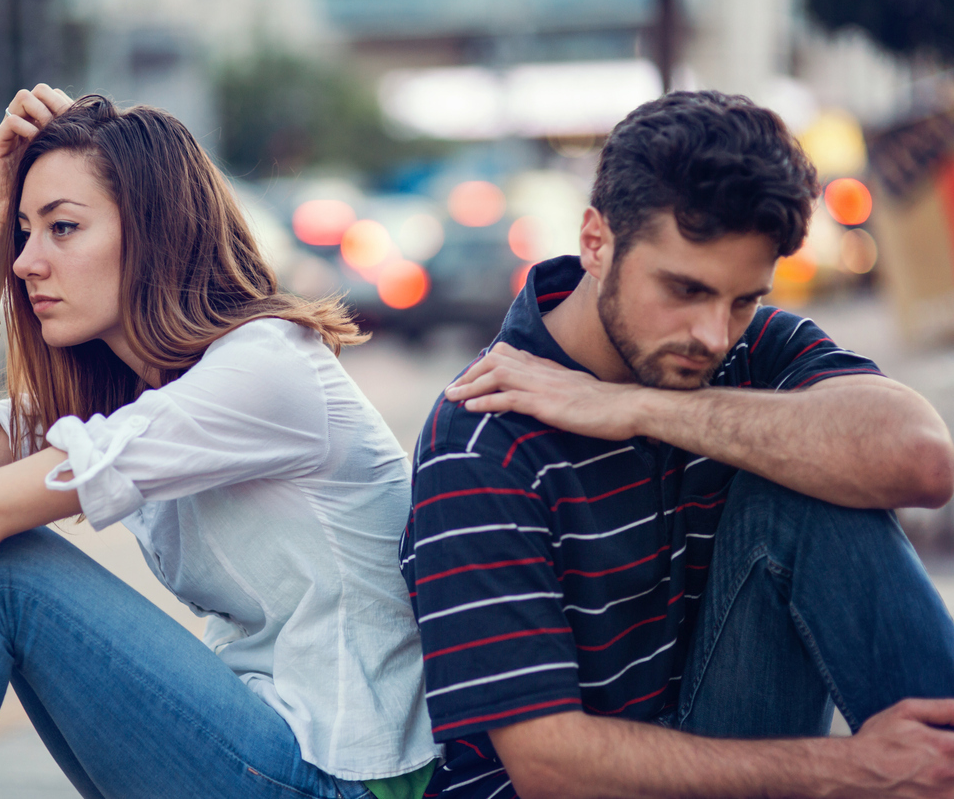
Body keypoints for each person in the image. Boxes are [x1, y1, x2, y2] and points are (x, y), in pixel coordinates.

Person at [0, 86, 437, 799]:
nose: (25, 262)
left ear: (155, 233)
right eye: (23, 232)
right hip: (267, 751)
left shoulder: (265, 367)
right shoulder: (135, 392)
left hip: (346, 778)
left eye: (63, 228)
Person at [401, 90, 954, 798]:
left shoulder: (744, 350)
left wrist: (641, 407)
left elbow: (922, 461)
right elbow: (550, 767)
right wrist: (855, 769)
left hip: (714, 743)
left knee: (823, 467)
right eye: (685, 290)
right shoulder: (483, 437)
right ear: (596, 243)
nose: (713, 335)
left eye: (743, 299)